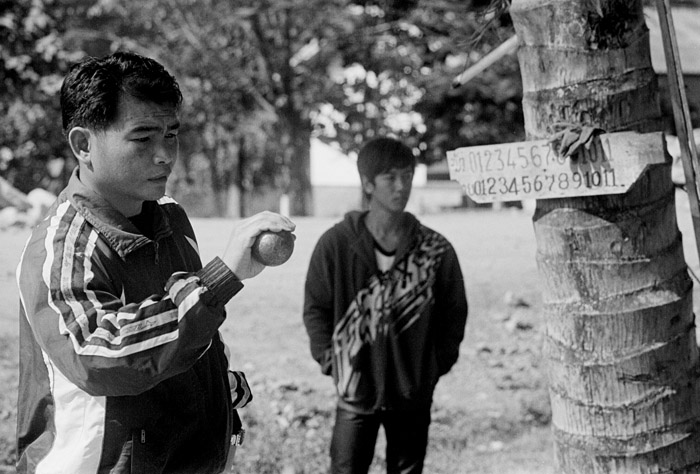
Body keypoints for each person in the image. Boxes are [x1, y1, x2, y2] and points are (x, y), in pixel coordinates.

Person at [15, 51, 295, 474]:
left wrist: (223, 393)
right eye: (143, 138)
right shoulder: (62, 247)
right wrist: (217, 281)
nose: (165, 154)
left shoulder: (170, 217)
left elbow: (194, 340)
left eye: (172, 134)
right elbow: (101, 357)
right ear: (83, 145)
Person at [302, 137, 468, 474]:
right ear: (368, 183)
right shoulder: (336, 244)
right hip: (355, 389)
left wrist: (432, 367)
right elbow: (315, 308)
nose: (401, 186)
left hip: (412, 392)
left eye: (407, 176)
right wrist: (332, 361)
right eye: (390, 178)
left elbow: (454, 313)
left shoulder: (435, 249)